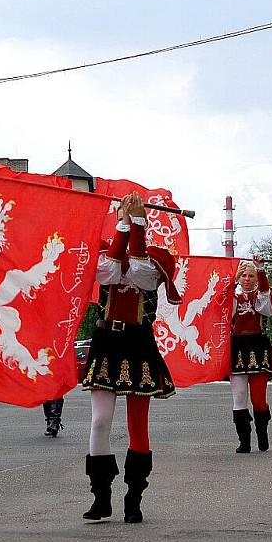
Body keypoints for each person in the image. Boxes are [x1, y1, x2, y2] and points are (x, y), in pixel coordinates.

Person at [80, 193, 181, 524]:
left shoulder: (153, 260)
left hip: (138, 342)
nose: (127, 216)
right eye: (122, 213)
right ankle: (101, 496)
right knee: (99, 421)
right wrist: (126, 225)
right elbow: (108, 272)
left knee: (138, 425)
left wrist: (137, 225)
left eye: (134, 214)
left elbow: (138, 273)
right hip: (107, 339)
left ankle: (134, 495)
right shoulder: (105, 252)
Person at [229, 256, 272, 454]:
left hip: (258, 347)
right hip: (237, 346)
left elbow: (265, 309)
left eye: (251, 276)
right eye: (243, 275)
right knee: (239, 396)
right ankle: (244, 441)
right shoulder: (232, 295)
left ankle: (262, 433)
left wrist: (261, 271)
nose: (247, 279)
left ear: (256, 278)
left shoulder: (262, 294)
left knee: (258, 399)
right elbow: (225, 312)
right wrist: (231, 283)